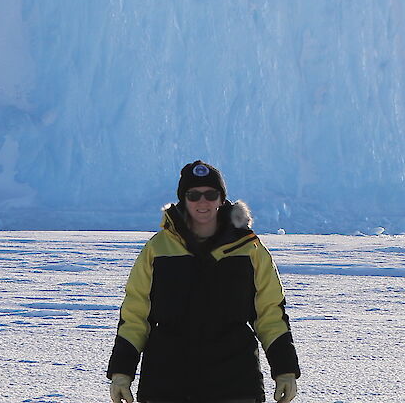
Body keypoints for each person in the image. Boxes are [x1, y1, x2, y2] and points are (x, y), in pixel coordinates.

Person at [107, 160, 300, 403]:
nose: (202, 202)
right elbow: (136, 314)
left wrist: (285, 370)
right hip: (166, 384)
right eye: (194, 195)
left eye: (210, 194)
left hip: (235, 384)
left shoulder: (250, 249)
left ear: (221, 199)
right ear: (183, 200)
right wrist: (121, 372)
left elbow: (270, 312)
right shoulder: (157, 249)